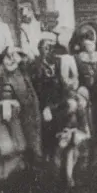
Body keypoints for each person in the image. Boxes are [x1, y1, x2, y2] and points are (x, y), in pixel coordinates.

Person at [0, 46, 41, 183]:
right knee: (6, 147)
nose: (11, 60)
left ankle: (7, 172)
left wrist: (17, 104)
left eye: (15, 57)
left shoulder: (21, 75)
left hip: (16, 116)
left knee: (20, 146)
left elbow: (28, 99)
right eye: (8, 57)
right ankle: (1, 174)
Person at [29, 33, 73, 162]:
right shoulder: (35, 65)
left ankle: (56, 153)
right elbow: (35, 88)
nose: (47, 50)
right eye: (45, 47)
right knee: (46, 125)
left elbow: (60, 83)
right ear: (39, 49)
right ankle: (46, 154)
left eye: (50, 47)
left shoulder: (55, 63)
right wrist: (45, 106)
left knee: (60, 122)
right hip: (41, 101)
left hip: (56, 101)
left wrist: (65, 96)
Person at [74, 28, 97, 161]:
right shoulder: (77, 58)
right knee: (86, 116)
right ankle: (87, 149)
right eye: (86, 44)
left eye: (91, 43)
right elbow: (76, 77)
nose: (89, 47)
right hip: (84, 90)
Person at [52, 86, 91, 189]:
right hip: (65, 137)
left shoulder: (82, 111)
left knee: (72, 153)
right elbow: (60, 125)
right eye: (76, 99)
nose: (78, 102)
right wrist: (64, 131)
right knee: (65, 152)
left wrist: (74, 131)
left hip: (76, 138)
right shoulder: (65, 112)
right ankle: (65, 178)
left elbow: (86, 131)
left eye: (81, 99)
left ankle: (69, 178)